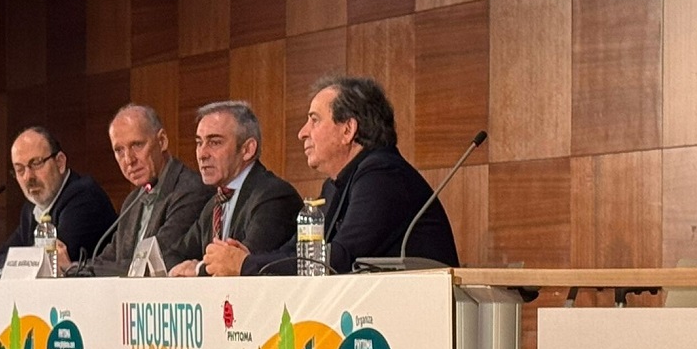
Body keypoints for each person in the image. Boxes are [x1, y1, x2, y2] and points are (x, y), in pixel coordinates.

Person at [202, 76, 459, 276]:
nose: (302, 132)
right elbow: (296, 252)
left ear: (348, 130)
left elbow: (339, 259)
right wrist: (249, 257)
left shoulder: (383, 176)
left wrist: (246, 265)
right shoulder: (336, 184)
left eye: (314, 120)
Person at [62, 104, 210, 275]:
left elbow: (155, 263)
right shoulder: (133, 200)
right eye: (119, 150)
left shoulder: (190, 190)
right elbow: (108, 259)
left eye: (137, 145)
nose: (128, 160)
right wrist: (71, 267)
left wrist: (73, 268)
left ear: (162, 141)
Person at [166, 101, 301, 276]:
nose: (202, 154)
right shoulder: (213, 205)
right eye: (199, 143)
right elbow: (173, 255)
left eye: (215, 142)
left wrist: (198, 268)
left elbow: (243, 263)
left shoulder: (274, 196)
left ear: (247, 149)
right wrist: (185, 267)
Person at [0, 126, 117, 278]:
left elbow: (51, 265)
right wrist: (10, 267)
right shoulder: (31, 210)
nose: (28, 177)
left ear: (60, 163)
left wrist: (15, 266)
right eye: (20, 169)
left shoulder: (84, 198)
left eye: (36, 163)